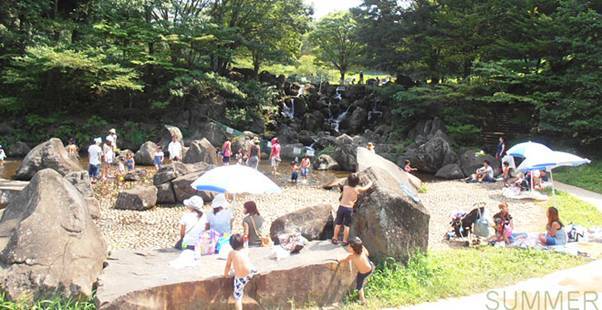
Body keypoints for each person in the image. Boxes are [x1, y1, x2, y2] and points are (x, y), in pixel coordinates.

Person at [332, 174, 373, 246]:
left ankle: (335, 238)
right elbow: (365, 188)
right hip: (349, 209)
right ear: (357, 182)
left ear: (348, 181)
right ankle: (345, 241)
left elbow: (341, 185)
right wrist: (370, 182)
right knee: (346, 226)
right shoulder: (357, 188)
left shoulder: (345, 187)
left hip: (341, 207)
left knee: (338, 224)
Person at [224, 234, 257, 310]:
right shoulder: (246, 250)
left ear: (231, 245)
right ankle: (254, 271)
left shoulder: (231, 253)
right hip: (250, 273)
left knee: (238, 297)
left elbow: (228, 265)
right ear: (242, 242)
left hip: (241, 278)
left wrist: (226, 274)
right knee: (250, 265)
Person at [338, 237, 374, 305]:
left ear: (354, 249)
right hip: (370, 268)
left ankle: (363, 300)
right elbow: (367, 254)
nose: (348, 247)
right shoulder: (362, 249)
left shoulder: (352, 256)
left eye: (349, 247)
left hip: (363, 273)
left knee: (359, 286)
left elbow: (344, 261)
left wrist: (338, 260)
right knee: (368, 262)